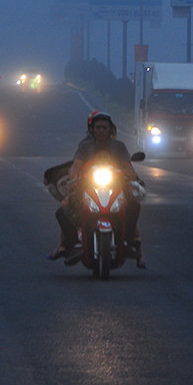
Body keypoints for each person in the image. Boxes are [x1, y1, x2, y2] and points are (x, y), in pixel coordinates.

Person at [46, 110, 146, 268]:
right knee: (64, 208)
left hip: (116, 186)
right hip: (88, 186)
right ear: (92, 129)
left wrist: (133, 179)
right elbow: (76, 165)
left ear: (110, 129)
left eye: (105, 128)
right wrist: (73, 177)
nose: (101, 131)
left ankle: (138, 251)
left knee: (133, 205)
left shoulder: (119, 146)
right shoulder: (85, 146)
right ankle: (69, 245)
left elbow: (129, 167)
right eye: (98, 127)